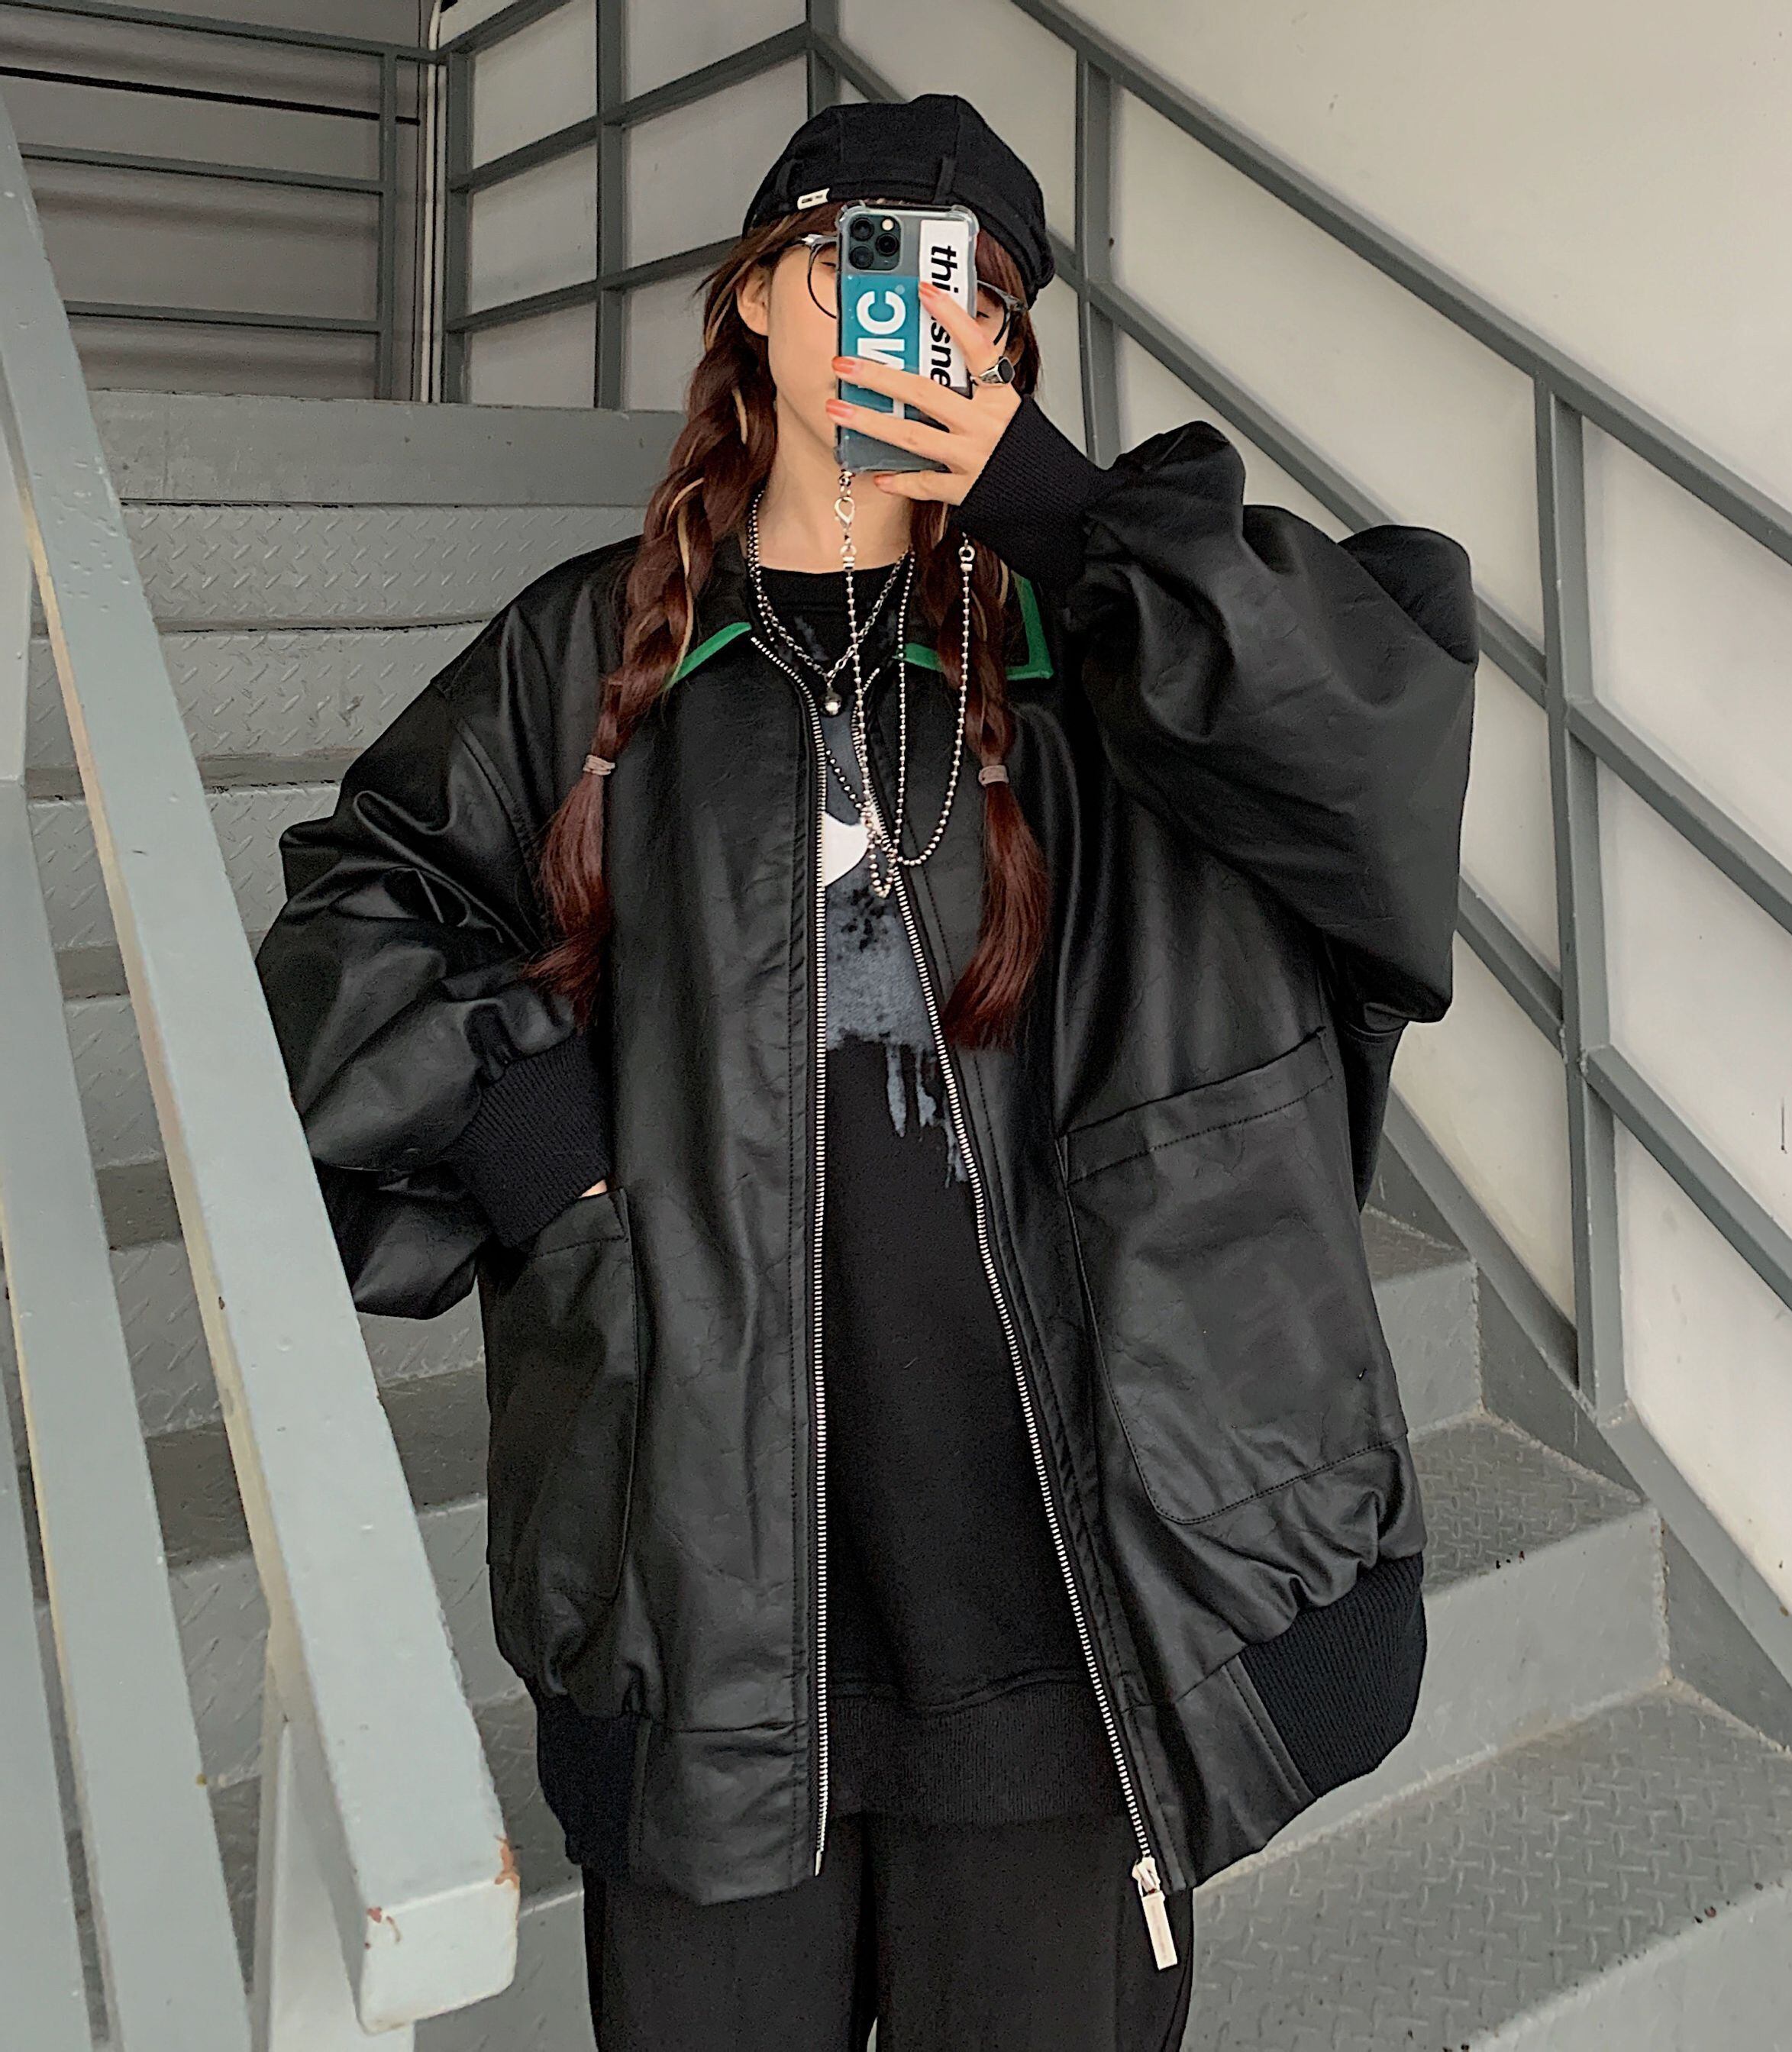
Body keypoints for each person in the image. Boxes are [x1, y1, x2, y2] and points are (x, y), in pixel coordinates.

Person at [254, 90, 1477, 2052]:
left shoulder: (1116, 651)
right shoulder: (585, 656)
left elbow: (1373, 753)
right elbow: (356, 911)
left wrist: (1061, 516)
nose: (916, 315)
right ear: (755, 298)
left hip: (1066, 1611)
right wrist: (540, 1140)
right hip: (706, 1600)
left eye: (972, 290)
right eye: (861, 261)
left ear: (1010, 352)